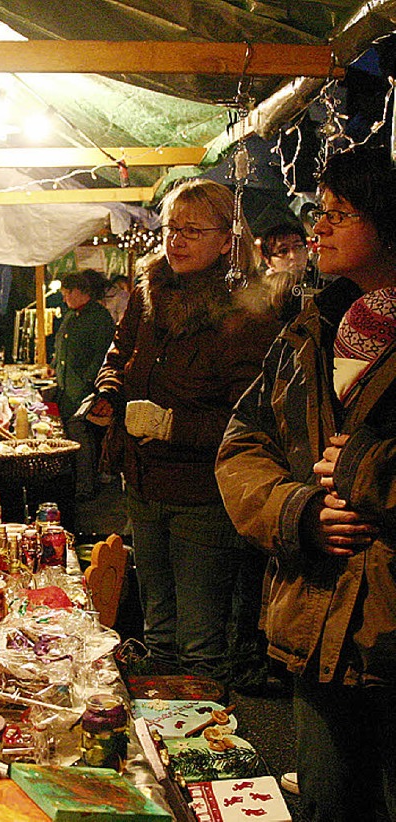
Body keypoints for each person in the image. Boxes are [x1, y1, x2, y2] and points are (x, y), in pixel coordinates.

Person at [215, 145, 396, 822]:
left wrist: (365, 469)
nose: (317, 228)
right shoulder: (310, 330)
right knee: (328, 803)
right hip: (317, 618)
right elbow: (243, 446)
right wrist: (298, 511)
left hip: (390, 627)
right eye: (320, 211)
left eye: (340, 214)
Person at [89, 179, 279, 682]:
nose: (177, 240)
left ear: (227, 239)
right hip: (143, 482)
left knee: (198, 642)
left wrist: (174, 425)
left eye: (193, 230)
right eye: (173, 228)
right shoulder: (150, 291)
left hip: (202, 495)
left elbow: (252, 420)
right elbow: (119, 351)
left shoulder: (246, 310)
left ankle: (206, 748)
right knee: (159, 631)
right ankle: (162, 738)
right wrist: (109, 391)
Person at [50, 270, 115, 501]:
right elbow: (61, 348)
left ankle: (86, 487)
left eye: (68, 292)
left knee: (82, 438)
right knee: (74, 436)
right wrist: (53, 366)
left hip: (84, 391)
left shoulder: (100, 318)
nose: (65, 296)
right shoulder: (71, 316)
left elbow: (101, 356)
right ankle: (77, 484)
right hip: (67, 389)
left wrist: (89, 383)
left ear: (81, 292)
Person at [259, 222, 314, 321]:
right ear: (268, 261)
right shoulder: (262, 294)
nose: (293, 256)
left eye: (298, 247)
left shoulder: (316, 281)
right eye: (283, 251)